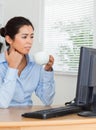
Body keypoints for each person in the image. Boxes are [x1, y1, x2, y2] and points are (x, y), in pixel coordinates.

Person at [0, 16, 55, 108]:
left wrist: (47, 71)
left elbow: (47, 100)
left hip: (27, 118)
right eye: (24, 37)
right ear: (9, 39)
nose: (29, 42)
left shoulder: (35, 64)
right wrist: (12, 68)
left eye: (31, 37)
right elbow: (2, 103)